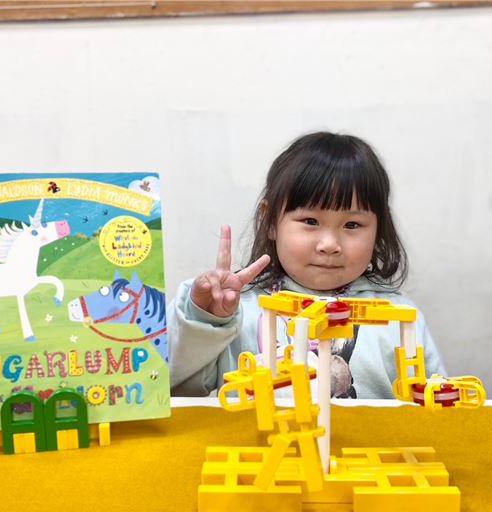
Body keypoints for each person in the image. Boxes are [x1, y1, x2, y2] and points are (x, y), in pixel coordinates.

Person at [167, 131, 445, 399]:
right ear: (270, 221)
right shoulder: (234, 308)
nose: (329, 244)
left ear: (378, 229)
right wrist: (204, 318)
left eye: (352, 225)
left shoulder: (399, 317)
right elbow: (171, 386)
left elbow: (438, 408)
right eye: (310, 221)